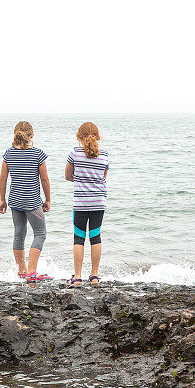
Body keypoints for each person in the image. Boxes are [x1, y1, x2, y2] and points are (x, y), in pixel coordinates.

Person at [0, 121, 52, 282]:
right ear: (32, 135)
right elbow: (44, 179)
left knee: (19, 233)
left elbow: (3, 178)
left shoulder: (8, 154)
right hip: (32, 202)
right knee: (40, 233)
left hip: (15, 200)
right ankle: (32, 272)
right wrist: (48, 199)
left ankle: (21, 271)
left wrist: (2, 199)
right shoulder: (37, 154)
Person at [65, 121, 109, 286]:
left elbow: (68, 176)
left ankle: (77, 276)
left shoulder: (74, 153)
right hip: (98, 202)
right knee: (95, 236)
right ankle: (94, 275)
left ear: (79, 137)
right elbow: (103, 178)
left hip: (81, 202)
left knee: (79, 237)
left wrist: (81, 180)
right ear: (97, 136)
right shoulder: (104, 155)